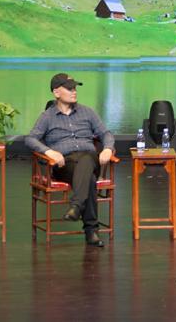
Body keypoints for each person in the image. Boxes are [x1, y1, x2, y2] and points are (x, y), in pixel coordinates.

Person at [25, 73, 115, 247]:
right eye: (69, 88)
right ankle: (91, 231)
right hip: (65, 164)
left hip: (90, 158)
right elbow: (30, 139)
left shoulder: (87, 112)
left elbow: (106, 133)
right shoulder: (47, 117)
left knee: (87, 159)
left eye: (75, 88)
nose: (74, 91)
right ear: (56, 92)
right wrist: (49, 151)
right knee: (89, 179)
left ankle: (77, 206)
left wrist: (107, 148)